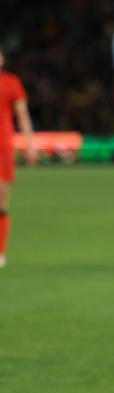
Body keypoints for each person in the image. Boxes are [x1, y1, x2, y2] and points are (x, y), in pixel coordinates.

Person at [0, 47, 37, 268]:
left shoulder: (12, 82)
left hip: (2, 147)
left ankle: (0, 251)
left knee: (1, 199)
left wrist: (30, 144)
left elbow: (23, 114)